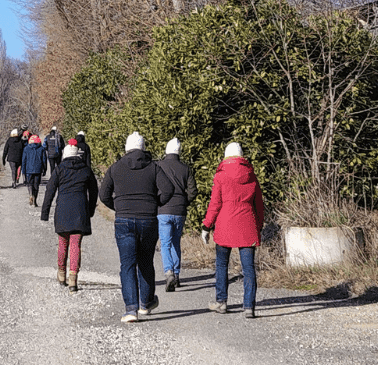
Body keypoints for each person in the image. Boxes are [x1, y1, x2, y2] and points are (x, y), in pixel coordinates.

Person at [99, 132, 164, 323]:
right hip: (148, 220)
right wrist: (154, 204)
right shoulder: (153, 167)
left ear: (126, 149)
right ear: (143, 148)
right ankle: (146, 303)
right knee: (146, 262)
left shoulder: (116, 168)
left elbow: (104, 195)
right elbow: (168, 190)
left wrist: (118, 206)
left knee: (127, 265)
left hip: (124, 220)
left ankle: (130, 310)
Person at [202, 141, 266, 318]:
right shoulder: (251, 176)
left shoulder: (221, 176)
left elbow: (215, 203)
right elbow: (259, 205)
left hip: (225, 224)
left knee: (222, 264)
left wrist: (207, 225)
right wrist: (258, 226)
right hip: (247, 225)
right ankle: (249, 307)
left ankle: (221, 302)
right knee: (249, 268)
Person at [41, 139, 97, 290]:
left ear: (65, 154)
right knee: (75, 245)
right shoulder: (85, 169)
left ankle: (61, 274)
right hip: (80, 210)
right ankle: (73, 278)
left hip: (63, 210)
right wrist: (90, 210)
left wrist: (45, 212)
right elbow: (94, 191)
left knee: (63, 243)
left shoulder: (59, 169)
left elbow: (50, 191)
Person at [155, 137, 196, 293]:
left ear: (166, 150)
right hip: (180, 210)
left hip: (164, 209)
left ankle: (169, 272)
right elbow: (193, 191)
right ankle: (177, 274)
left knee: (165, 242)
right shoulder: (185, 169)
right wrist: (184, 202)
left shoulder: (159, 166)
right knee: (176, 242)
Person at [21, 134, 47, 206]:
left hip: (28, 170)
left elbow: (24, 161)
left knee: (29, 184)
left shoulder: (26, 149)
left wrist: (23, 171)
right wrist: (45, 169)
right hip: (38, 169)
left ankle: (30, 194)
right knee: (36, 185)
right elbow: (44, 160)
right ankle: (35, 199)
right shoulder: (41, 149)